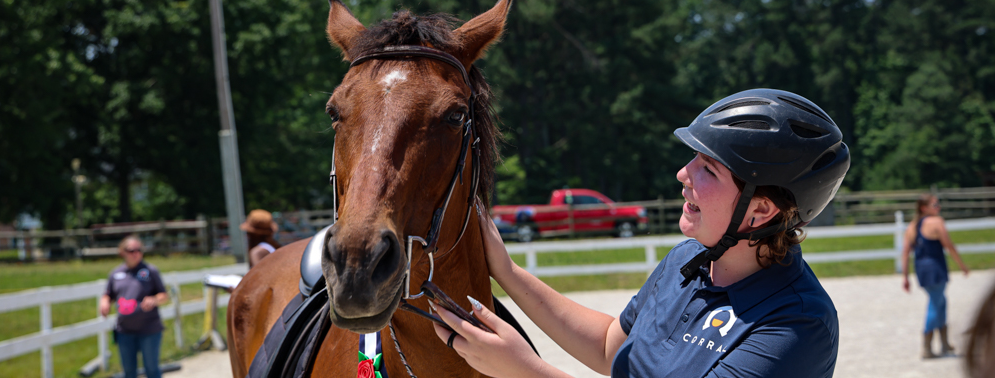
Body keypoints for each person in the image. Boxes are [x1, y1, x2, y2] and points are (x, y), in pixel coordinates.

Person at [430, 88, 850, 377]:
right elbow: (611, 349)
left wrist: (523, 369)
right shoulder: (687, 261)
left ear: (760, 210)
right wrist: (507, 272)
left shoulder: (797, 324)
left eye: (708, 169)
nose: (683, 174)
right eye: (692, 159)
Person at [901, 194, 970, 358]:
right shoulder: (936, 222)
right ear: (924, 208)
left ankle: (945, 343)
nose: (938, 207)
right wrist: (962, 265)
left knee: (941, 302)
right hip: (936, 269)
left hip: (921, 270)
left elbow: (905, 253)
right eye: (935, 205)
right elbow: (949, 245)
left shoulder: (912, 226)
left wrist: (905, 276)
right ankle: (926, 346)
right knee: (935, 304)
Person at [99, 235, 169, 378]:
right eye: (131, 250)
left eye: (139, 250)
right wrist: (105, 302)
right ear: (122, 252)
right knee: (129, 372)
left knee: (151, 369)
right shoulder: (116, 273)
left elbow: (164, 295)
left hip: (149, 329)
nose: (136, 253)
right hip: (124, 330)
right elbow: (108, 294)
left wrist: (154, 299)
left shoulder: (150, 271)